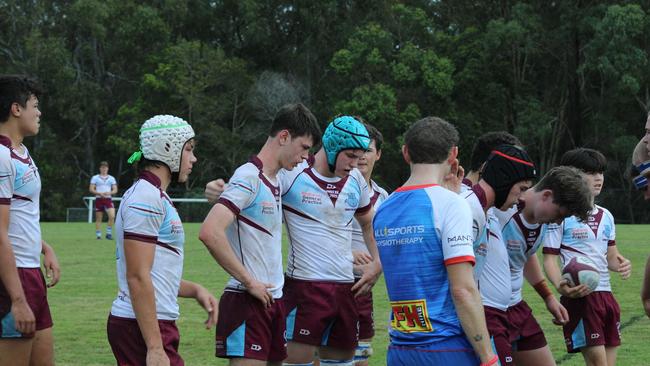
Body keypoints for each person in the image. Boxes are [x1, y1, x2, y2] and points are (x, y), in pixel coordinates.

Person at [198, 103, 321, 365]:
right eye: (304, 148)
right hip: (246, 301)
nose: (304, 157)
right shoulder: (248, 177)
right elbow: (210, 232)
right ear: (284, 137)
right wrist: (249, 281)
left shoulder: (276, 178)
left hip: (273, 301)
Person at [374, 117, 497, 365]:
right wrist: (488, 357)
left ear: (405, 153)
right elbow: (463, 290)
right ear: (453, 154)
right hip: (447, 347)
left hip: (400, 349)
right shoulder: (452, 205)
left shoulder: (383, 209)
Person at [107, 115, 218, 366]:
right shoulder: (146, 198)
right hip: (141, 327)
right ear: (167, 149)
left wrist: (195, 290)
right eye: (188, 150)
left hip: (150, 324)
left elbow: (154, 274)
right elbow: (137, 276)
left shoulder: (155, 196)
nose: (193, 159)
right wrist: (155, 348)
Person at [280, 115, 382, 366]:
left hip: (346, 288)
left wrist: (378, 263)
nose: (355, 164)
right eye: (350, 155)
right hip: (305, 287)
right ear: (333, 146)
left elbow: (368, 223)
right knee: (297, 360)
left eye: (360, 157)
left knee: (342, 361)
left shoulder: (356, 180)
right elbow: (253, 194)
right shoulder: (293, 174)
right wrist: (219, 193)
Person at [543, 148, 632, 366]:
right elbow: (549, 259)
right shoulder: (561, 214)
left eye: (600, 172)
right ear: (570, 175)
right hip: (581, 297)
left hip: (607, 297)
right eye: (590, 172)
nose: (598, 178)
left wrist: (621, 263)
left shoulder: (606, 216)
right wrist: (560, 286)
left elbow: (610, 256)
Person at [500, 166, 593, 366]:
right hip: (490, 311)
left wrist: (549, 298)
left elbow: (525, 256)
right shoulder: (500, 210)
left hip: (516, 307)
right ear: (547, 195)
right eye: (560, 213)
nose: (559, 221)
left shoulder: (543, 222)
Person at [0, 75, 60, 366]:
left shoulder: (22, 153)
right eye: (35, 105)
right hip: (13, 281)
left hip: (32, 275)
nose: (39, 112)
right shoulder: (1, 157)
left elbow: (18, 219)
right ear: (15, 109)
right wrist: (17, 299)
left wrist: (44, 247)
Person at [461, 144, 536, 366]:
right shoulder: (468, 209)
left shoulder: (484, 209)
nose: (522, 197)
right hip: (467, 320)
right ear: (504, 180)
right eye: (521, 188)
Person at [349, 122, 388, 366]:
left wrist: (378, 265)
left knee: (361, 352)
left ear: (379, 154)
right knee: (322, 352)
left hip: (365, 285)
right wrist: (347, 252)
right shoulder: (336, 187)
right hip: (333, 278)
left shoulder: (384, 198)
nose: (363, 155)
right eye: (358, 149)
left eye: (369, 150)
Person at [89, 161, 118, 239]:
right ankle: (98, 235)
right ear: (100, 168)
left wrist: (109, 192)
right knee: (99, 218)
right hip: (99, 199)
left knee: (112, 216)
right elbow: (91, 189)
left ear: (108, 169)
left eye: (105, 167)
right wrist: (99, 193)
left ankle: (108, 234)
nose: (104, 169)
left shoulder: (111, 178)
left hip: (108, 199)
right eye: (102, 167)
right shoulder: (95, 178)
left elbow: (115, 190)